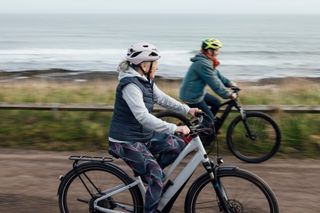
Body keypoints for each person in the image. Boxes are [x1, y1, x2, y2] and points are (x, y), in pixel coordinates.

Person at [108, 42, 199, 213]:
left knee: (178, 145)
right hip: (125, 141)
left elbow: (162, 99)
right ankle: (154, 184)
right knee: (156, 176)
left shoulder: (145, 80)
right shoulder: (130, 86)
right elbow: (142, 117)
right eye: (155, 63)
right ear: (144, 65)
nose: (157, 66)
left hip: (142, 137)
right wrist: (174, 128)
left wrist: (188, 110)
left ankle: (152, 179)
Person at [179, 38, 238, 124]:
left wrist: (229, 83)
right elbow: (214, 83)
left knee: (216, 103)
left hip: (197, 93)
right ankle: (206, 127)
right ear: (210, 51)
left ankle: (206, 125)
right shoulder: (202, 64)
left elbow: (216, 74)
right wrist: (228, 94)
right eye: (216, 50)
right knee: (209, 119)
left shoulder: (206, 61)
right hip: (192, 97)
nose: (218, 52)